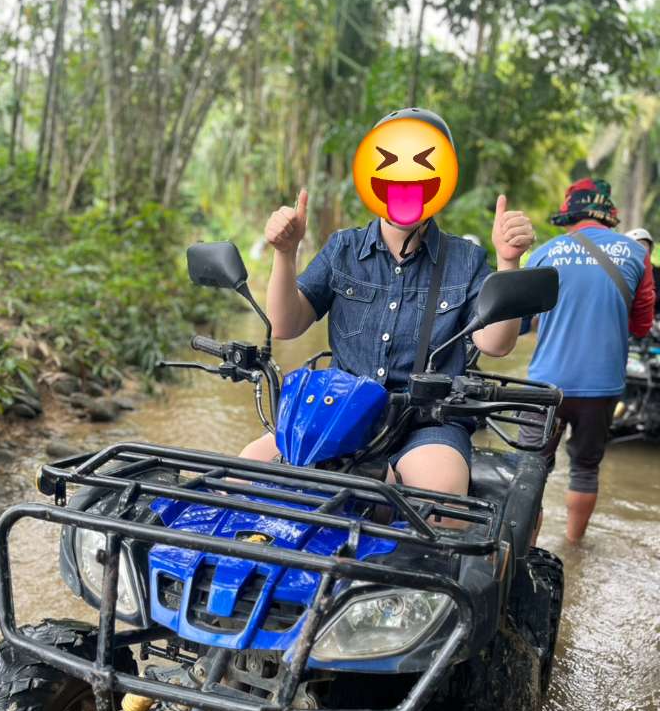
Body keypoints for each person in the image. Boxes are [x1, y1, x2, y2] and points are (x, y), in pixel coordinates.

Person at [240, 109, 536, 497]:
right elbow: (284, 325)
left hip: (429, 424)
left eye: (422, 165)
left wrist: (509, 261)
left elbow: (495, 344)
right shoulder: (343, 248)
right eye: (391, 163)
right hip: (338, 409)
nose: (405, 179)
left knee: (439, 498)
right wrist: (285, 252)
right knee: (240, 472)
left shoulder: (465, 260)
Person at [520, 178, 656, 542]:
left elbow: (518, 324)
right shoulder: (636, 254)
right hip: (602, 385)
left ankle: (524, 550)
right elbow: (642, 326)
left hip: (546, 385)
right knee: (584, 470)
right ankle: (573, 546)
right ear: (608, 214)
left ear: (568, 214)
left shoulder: (543, 254)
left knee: (530, 470)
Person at [625, 226, 660, 314]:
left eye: (643, 244)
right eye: (636, 244)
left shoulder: (657, 273)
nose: (640, 249)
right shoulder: (623, 272)